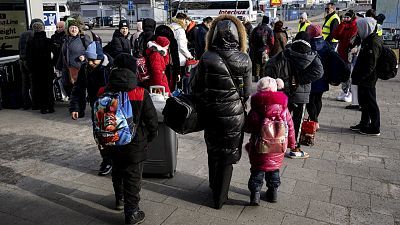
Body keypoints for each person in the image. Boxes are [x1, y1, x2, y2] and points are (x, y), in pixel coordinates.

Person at [191, 14, 252, 209]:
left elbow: (196, 87)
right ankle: (221, 197)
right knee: (227, 154)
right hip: (234, 115)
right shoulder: (244, 58)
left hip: (211, 112)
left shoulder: (207, 57)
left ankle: (213, 186)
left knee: (213, 149)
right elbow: (247, 92)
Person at [94, 53, 158, 225]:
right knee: (133, 177)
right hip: (134, 144)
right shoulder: (140, 92)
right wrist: (149, 137)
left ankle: (119, 200)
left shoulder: (102, 91)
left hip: (110, 141)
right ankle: (132, 212)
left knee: (117, 171)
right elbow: (151, 120)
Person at [265, 31, 323, 159]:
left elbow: (270, 65)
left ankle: (275, 145)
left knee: (281, 119)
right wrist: (300, 80)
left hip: (284, 92)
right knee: (297, 121)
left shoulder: (286, 52)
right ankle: (295, 148)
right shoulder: (312, 55)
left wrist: (284, 82)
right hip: (301, 95)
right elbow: (319, 72)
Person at [244, 77, 295, 205]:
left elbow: (249, 127)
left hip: (259, 147)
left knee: (257, 171)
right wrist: (292, 143)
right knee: (274, 170)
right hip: (278, 147)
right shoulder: (283, 108)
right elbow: (290, 126)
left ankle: (255, 195)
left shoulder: (256, 109)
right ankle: (273, 193)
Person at [69, 41, 114, 176]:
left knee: (113, 135)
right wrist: (75, 107)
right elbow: (78, 89)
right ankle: (107, 160)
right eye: (88, 59)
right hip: (96, 107)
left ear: (100, 58)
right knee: (99, 136)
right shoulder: (85, 68)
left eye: (93, 60)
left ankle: (116, 159)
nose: (90, 63)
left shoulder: (111, 68)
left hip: (113, 107)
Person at [350, 17, 382, 136]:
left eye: (359, 28)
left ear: (366, 28)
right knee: (364, 102)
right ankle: (364, 123)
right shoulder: (367, 39)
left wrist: (362, 77)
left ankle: (375, 127)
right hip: (364, 78)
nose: (358, 31)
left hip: (368, 79)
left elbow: (370, 65)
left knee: (371, 102)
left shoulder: (373, 42)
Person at [332, 10, 359, 106]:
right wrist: (342, 25)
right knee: (343, 73)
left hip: (350, 54)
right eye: (345, 17)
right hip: (341, 53)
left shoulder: (355, 26)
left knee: (350, 73)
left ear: (352, 18)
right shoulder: (343, 25)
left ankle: (350, 93)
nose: (346, 19)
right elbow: (336, 35)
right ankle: (344, 91)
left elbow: (352, 40)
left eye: (348, 17)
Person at [26, 21, 54, 114]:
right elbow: (53, 54)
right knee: (49, 87)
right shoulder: (48, 41)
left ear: (34, 30)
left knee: (39, 87)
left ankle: (43, 107)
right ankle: (50, 106)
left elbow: (28, 57)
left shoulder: (30, 42)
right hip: (47, 67)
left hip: (36, 68)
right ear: (43, 29)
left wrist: (30, 68)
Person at [57, 18, 90, 90]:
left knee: (79, 90)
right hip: (66, 70)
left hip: (79, 69)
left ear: (79, 29)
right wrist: (58, 67)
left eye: (75, 28)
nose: (74, 30)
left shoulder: (83, 38)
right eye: (72, 28)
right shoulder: (65, 39)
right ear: (68, 29)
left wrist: (84, 57)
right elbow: (62, 54)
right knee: (68, 88)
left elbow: (91, 51)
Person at [306, 25, 330, 126]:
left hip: (311, 77)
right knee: (318, 99)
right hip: (323, 76)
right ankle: (315, 119)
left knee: (310, 100)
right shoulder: (326, 44)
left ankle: (314, 120)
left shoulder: (309, 45)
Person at [18, 18, 44, 110]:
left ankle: (26, 104)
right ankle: (35, 103)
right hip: (30, 62)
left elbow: (19, 48)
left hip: (21, 61)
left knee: (25, 84)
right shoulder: (33, 34)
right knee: (34, 83)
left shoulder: (22, 34)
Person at [170, 13, 194, 90]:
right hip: (180, 59)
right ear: (183, 20)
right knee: (179, 79)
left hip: (170, 57)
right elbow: (182, 47)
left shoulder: (170, 26)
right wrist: (189, 56)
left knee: (172, 78)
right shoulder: (180, 30)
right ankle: (179, 93)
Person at [155, 25, 180, 91]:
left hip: (161, 71)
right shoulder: (172, 40)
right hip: (170, 69)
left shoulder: (155, 41)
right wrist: (178, 72)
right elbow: (175, 57)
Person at [250, 16, 274, 82]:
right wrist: (269, 49)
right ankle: (262, 78)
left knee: (257, 63)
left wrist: (253, 47)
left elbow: (251, 39)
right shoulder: (269, 30)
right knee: (264, 64)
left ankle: (256, 77)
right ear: (267, 21)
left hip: (256, 50)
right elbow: (272, 42)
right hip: (265, 50)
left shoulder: (256, 29)